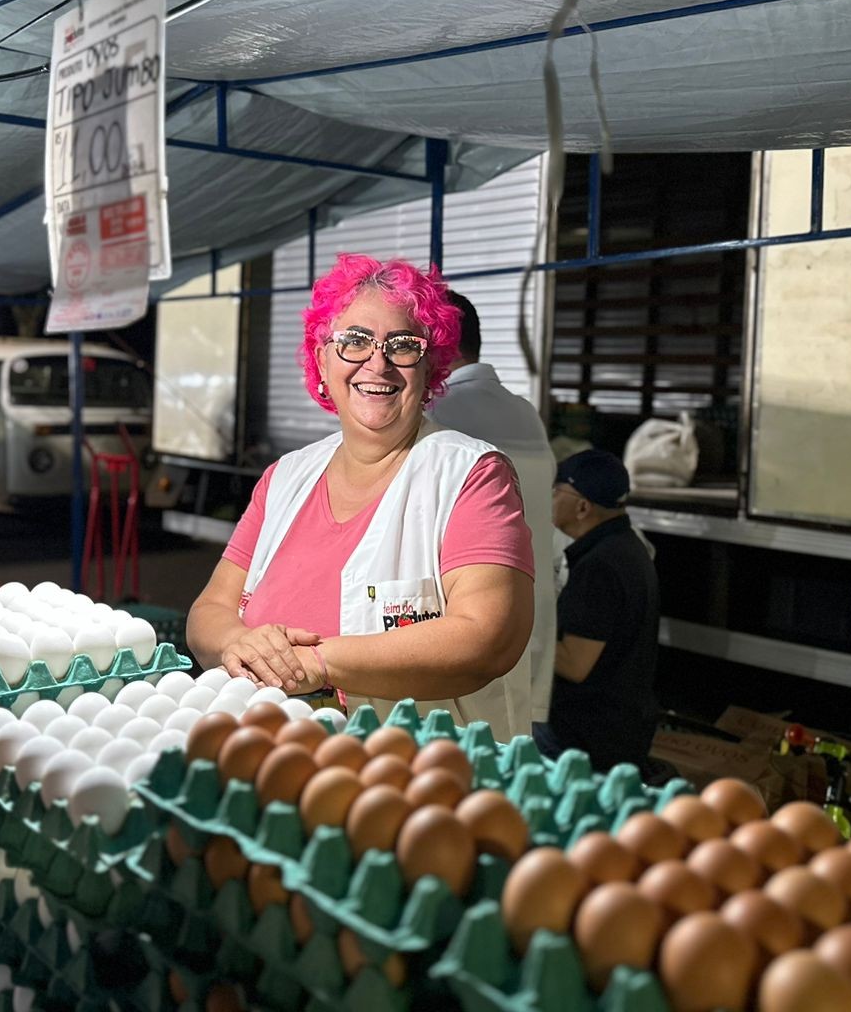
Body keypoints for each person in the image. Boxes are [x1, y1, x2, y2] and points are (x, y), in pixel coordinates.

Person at [187, 254, 536, 740]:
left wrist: (317, 663)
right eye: (354, 342)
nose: (378, 363)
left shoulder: (471, 476)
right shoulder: (286, 477)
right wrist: (239, 643)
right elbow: (207, 614)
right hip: (273, 755)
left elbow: (487, 638)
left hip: (411, 774)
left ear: (430, 364)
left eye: (402, 345)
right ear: (321, 359)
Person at [432, 291, 558, 730]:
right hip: (529, 624)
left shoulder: (440, 413)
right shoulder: (523, 412)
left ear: (439, 343)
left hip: (466, 633)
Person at [542, 448, 661, 771]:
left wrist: (517, 636)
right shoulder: (626, 547)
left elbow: (575, 664)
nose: (550, 498)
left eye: (557, 491)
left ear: (582, 507)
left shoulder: (600, 567)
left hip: (587, 738)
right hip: (622, 727)